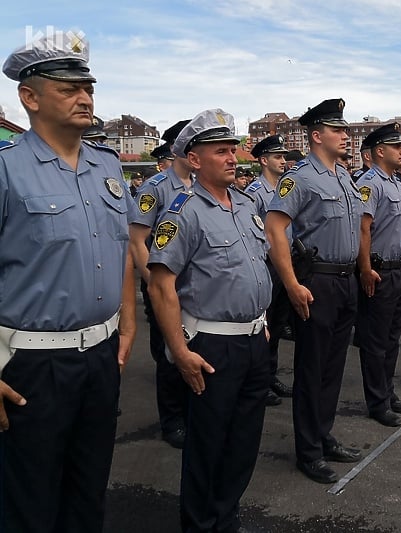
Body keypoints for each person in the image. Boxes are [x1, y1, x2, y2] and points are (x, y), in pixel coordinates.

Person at [0, 31, 137, 533]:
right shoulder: (8, 170)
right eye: (68, 88)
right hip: (32, 363)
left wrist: (128, 322)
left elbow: (122, 249)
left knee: (88, 491)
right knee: (29, 501)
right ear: (29, 97)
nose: (85, 98)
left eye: (89, 88)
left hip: (100, 356)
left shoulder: (107, 166)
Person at [147, 109, 273, 531]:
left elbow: (253, 266)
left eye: (232, 149)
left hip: (254, 339)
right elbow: (161, 286)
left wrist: (261, 320)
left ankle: (225, 516)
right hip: (213, 346)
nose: (232, 157)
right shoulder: (183, 212)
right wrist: (179, 351)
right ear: (195, 159)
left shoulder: (245, 204)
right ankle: (201, 524)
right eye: (220, 151)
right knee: (208, 444)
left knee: (243, 442)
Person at [265, 98, 363, 484]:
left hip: (346, 280)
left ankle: (323, 435)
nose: (345, 135)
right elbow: (275, 228)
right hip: (317, 281)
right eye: (338, 130)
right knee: (312, 368)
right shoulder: (300, 177)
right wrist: (291, 284)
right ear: (317, 135)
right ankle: (308, 451)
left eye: (346, 129)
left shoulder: (344, 176)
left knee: (333, 367)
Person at [129, 119, 192, 449]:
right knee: (169, 353)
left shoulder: (201, 184)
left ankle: (192, 410)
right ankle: (172, 420)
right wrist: (153, 282)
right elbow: (137, 240)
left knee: (194, 347)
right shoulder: (155, 188)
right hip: (164, 280)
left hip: (195, 284)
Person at [354, 123, 401, 427]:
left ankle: (388, 393)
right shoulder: (370, 183)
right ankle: (377, 402)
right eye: (396, 146)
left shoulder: (397, 184)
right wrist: (365, 269)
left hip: (398, 271)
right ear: (380, 151)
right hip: (379, 272)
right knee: (376, 342)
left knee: (392, 339)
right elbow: (363, 229)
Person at [246, 134, 293, 405]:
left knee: (276, 325)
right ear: (264, 161)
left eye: (284, 156)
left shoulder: (284, 189)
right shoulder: (255, 192)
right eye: (278, 157)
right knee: (263, 325)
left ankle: (270, 374)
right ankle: (259, 381)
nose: (283, 161)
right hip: (266, 265)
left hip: (285, 264)